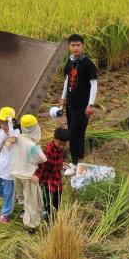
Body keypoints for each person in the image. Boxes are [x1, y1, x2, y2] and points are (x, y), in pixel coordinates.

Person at [56, 34, 97, 176]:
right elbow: (68, 79)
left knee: (73, 134)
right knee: (77, 133)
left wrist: (90, 104)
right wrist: (63, 98)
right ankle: (79, 158)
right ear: (69, 46)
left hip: (82, 106)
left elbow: (94, 85)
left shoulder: (88, 64)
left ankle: (74, 163)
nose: (75, 48)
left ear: (82, 46)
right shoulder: (71, 61)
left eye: (78, 45)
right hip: (70, 105)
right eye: (73, 45)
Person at [9, 114, 47, 230]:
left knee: (23, 197)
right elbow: (42, 159)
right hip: (28, 177)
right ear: (35, 129)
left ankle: (24, 213)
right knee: (32, 200)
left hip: (16, 174)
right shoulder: (32, 145)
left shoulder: (17, 138)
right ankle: (31, 226)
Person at [39, 128, 69, 224]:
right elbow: (47, 166)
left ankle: (55, 216)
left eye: (64, 145)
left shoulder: (60, 149)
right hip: (48, 180)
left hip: (57, 179)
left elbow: (57, 161)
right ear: (54, 138)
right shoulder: (49, 149)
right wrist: (41, 181)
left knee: (58, 199)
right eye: (60, 144)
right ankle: (48, 219)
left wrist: (62, 163)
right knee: (49, 201)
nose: (61, 147)